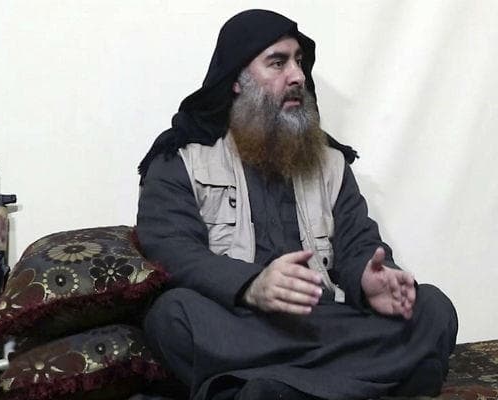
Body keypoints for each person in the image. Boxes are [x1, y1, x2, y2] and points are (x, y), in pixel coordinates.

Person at [137, 9, 458, 400]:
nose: (297, 76)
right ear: (237, 79)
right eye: (278, 63)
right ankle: (386, 375)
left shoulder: (328, 163)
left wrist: (370, 279)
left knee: (433, 308)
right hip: (240, 320)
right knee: (173, 316)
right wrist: (252, 285)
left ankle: (269, 387)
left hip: (321, 318)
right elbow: (172, 250)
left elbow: (357, 242)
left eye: (299, 62)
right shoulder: (181, 159)